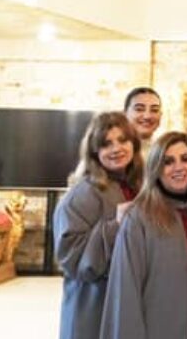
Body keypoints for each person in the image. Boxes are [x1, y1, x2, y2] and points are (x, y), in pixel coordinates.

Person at [100, 132, 187, 338]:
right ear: (156, 169)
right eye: (168, 162)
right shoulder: (139, 219)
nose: (179, 167)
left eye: (186, 159)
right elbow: (125, 295)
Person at [54, 111, 143, 339]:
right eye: (106, 144)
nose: (116, 149)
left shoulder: (138, 185)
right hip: (93, 305)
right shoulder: (83, 193)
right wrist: (115, 225)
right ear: (95, 152)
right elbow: (71, 256)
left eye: (122, 140)